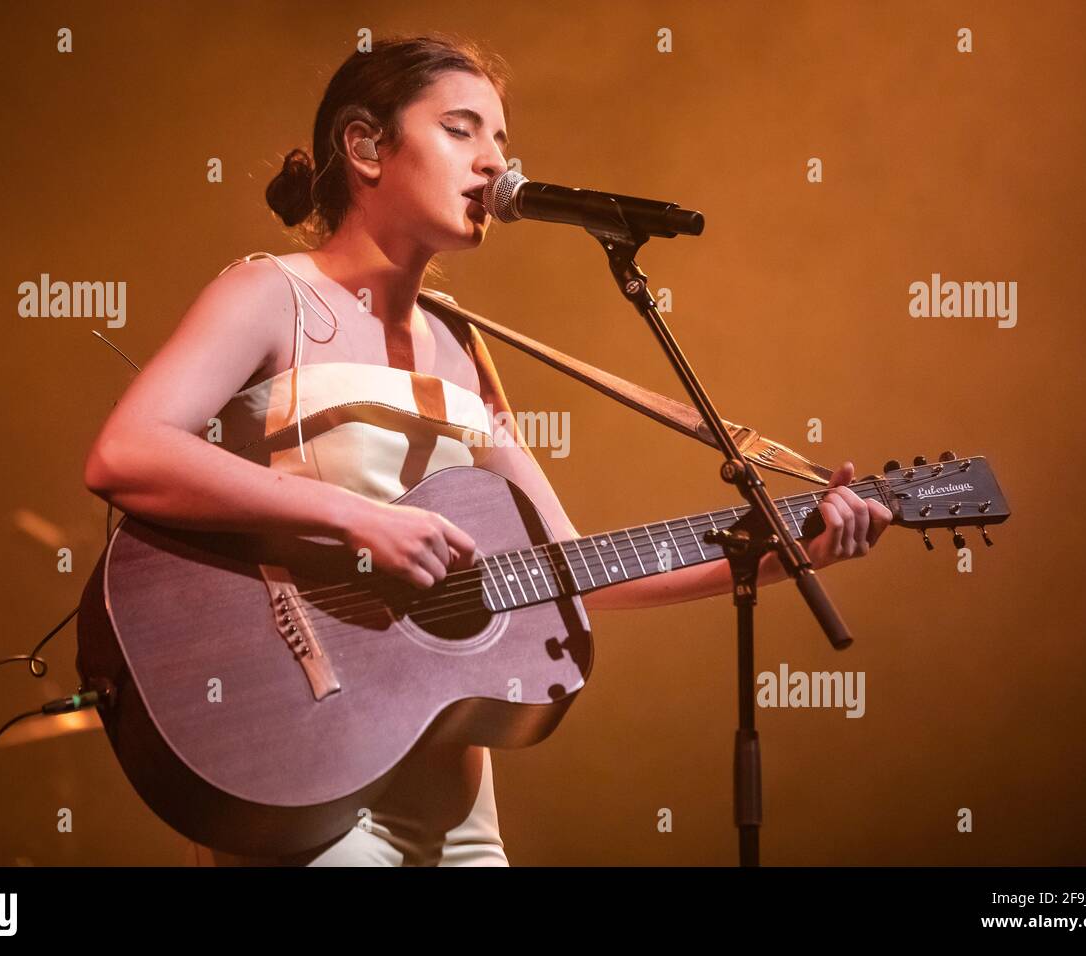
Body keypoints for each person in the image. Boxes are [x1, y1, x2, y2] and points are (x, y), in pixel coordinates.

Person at [82, 33, 893, 867]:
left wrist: (795, 551)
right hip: (306, 771)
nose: (494, 163)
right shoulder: (270, 294)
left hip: (458, 819)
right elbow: (126, 452)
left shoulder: (464, 345)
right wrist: (359, 520)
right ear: (365, 147)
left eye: (502, 139)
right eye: (463, 130)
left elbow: (569, 563)